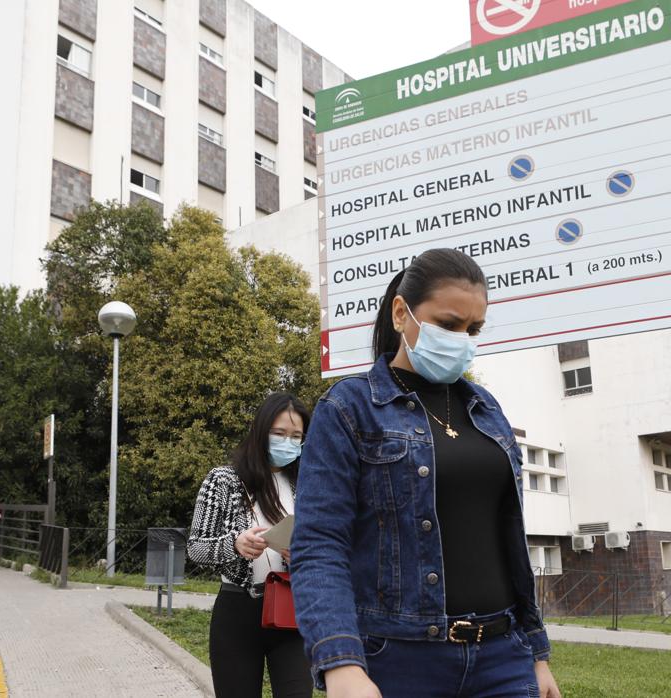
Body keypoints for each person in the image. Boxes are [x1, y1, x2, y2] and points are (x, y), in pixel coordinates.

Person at [292, 249, 561, 698]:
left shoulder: (486, 410)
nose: (463, 339)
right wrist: (340, 662)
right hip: (398, 659)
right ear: (402, 313)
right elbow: (319, 544)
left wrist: (536, 653)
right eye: (449, 324)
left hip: (503, 657)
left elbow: (506, 538)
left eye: (473, 329)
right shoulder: (348, 408)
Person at [188, 392, 314, 698]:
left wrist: (301, 553)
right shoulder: (224, 480)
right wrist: (235, 544)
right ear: (260, 432)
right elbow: (196, 547)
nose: (288, 442)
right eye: (280, 433)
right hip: (238, 612)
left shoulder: (307, 482)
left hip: (290, 608)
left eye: (296, 436)